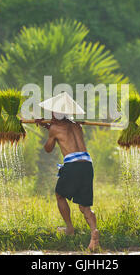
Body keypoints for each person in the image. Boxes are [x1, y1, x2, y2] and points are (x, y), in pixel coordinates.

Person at [36, 92, 100, 251]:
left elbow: (48, 149)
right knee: (84, 206)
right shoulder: (76, 125)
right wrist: (48, 126)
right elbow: (63, 130)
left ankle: (70, 228)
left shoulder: (54, 128)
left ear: (54, 113)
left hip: (73, 164)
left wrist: (48, 131)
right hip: (87, 164)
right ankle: (93, 232)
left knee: (59, 194)